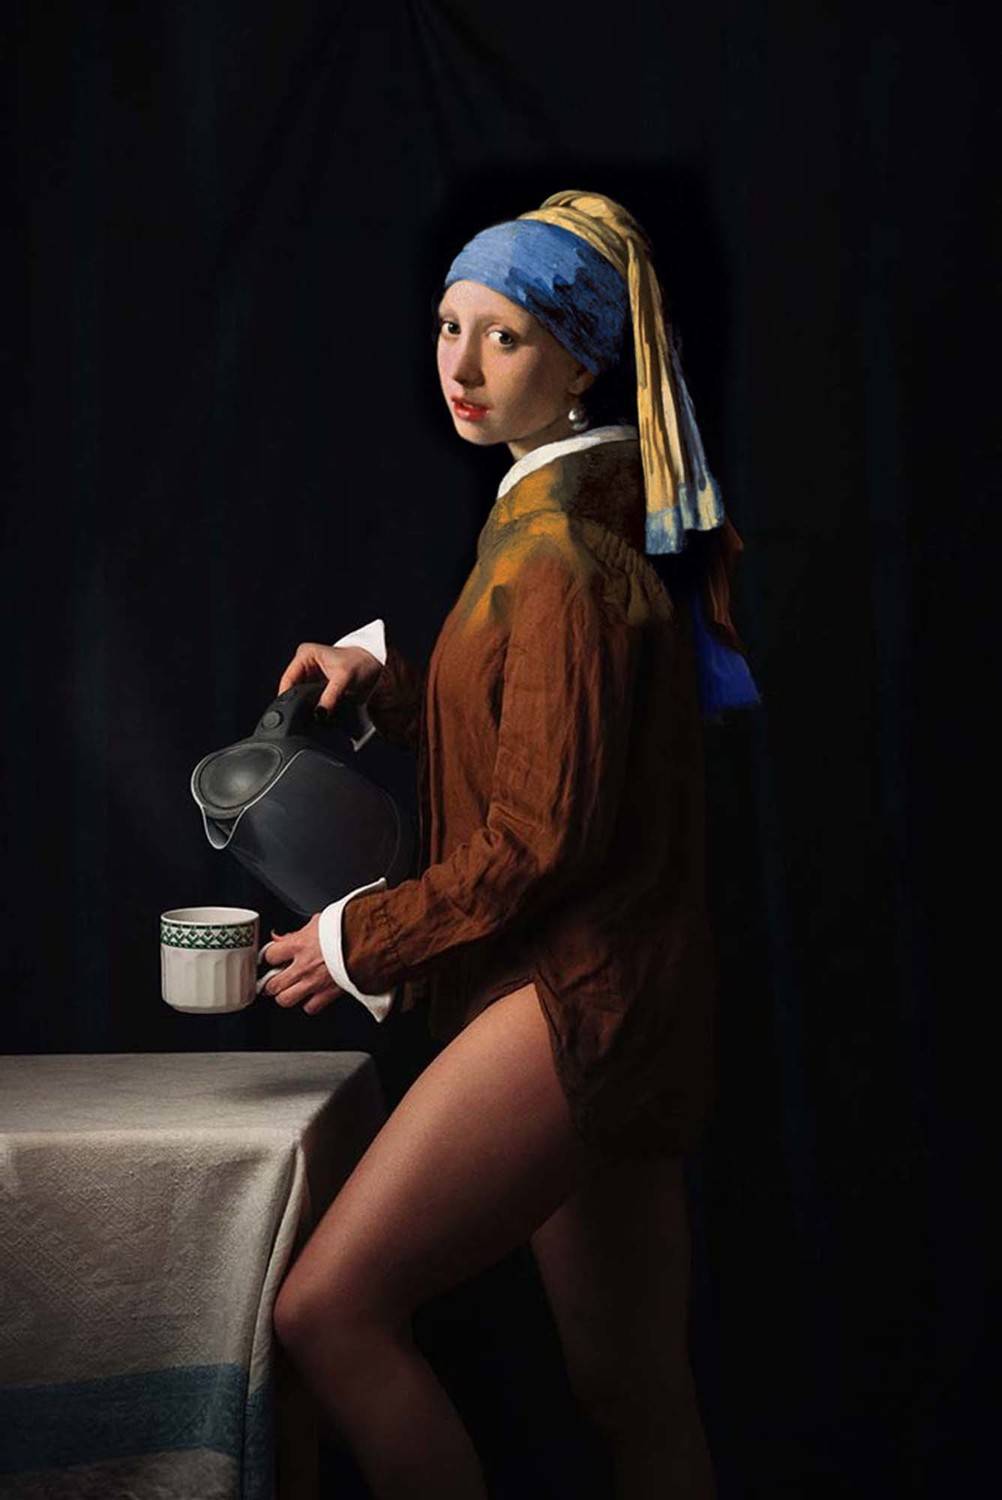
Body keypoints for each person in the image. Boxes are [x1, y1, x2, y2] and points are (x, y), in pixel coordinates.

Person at [262, 189, 761, 1499]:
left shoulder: (565, 551)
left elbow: (540, 837)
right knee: (633, 1390)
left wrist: (356, 937)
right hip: (619, 986)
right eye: (449, 327)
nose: (463, 366)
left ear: (581, 360)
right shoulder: (556, 510)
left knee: (329, 1312)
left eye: (505, 337)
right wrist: (388, 693)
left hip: (578, 993)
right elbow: (546, 746)